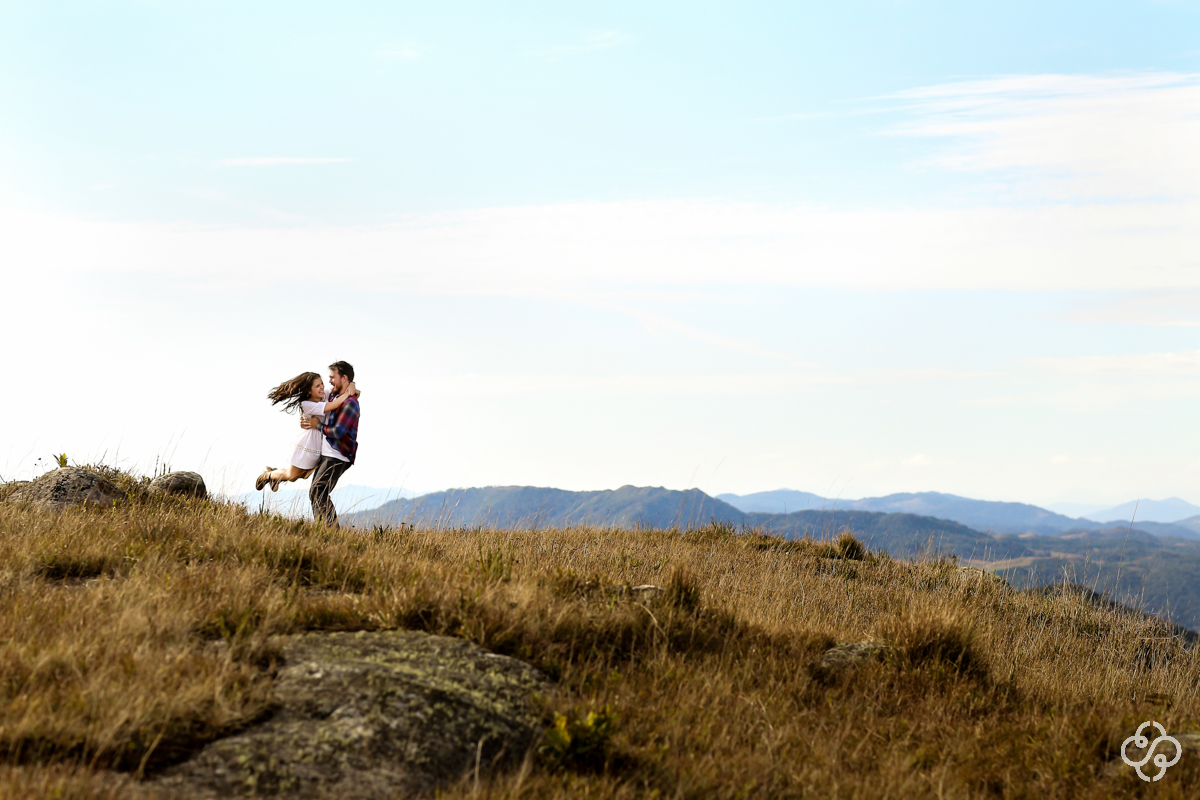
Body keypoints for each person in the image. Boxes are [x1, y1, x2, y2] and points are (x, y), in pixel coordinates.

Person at [257, 371, 358, 492]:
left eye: (322, 384)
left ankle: (274, 476)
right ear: (309, 391)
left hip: (318, 445)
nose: (322, 387)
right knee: (291, 476)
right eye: (317, 386)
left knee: (303, 475)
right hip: (307, 444)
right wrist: (349, 393)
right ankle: (268, 475)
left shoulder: (324, 395)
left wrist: (352, 384)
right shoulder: (306, 404)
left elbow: (345, 387)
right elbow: (335, 404)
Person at [299, 361, 361, 526]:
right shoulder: (334, 396)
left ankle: (331, 531)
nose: (330, 381)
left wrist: (316, 425)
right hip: (328, 454)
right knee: (316, 493)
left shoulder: (350, 404)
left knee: (318, 491)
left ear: (344, 378)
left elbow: (338, 432)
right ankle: (326, 530)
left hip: (338, 455)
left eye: (333, 377)